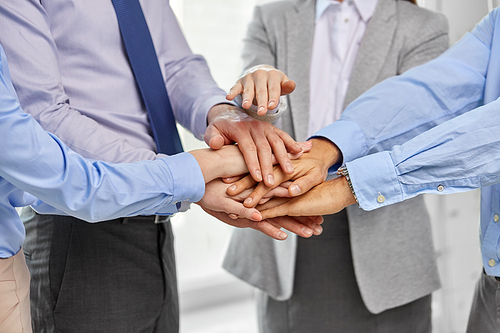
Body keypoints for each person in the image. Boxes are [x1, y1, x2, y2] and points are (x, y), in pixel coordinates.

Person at [0, 2, 322, 332]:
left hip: (157, 225)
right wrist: (188, 176)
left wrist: (221, 114)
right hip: (79, 233)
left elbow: (175, 66)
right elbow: (43, 116)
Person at [234, 7, 500, 333]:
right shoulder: (497, 23)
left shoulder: (421, 25)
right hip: (493, 281)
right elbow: (427, 93)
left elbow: (470, 130)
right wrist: (326, 148)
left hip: (384, 240)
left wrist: (349, 183)